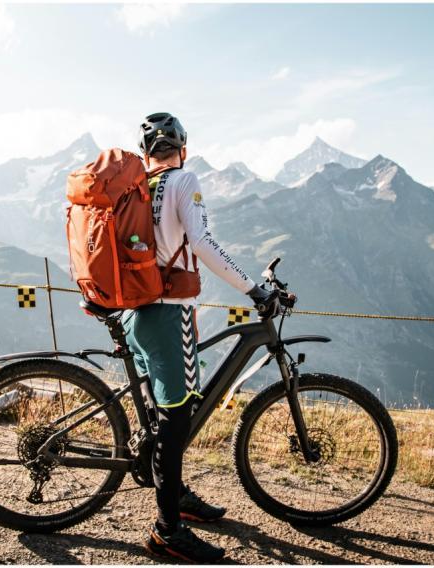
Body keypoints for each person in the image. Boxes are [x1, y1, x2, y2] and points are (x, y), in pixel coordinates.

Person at [124, 112, 278, 563]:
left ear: (145, 153)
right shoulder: (181, 181)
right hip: (168, 315)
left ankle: (178, 494)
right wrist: (253, 287)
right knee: (177, 422)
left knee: (167, 414)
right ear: (182, 148)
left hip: (141, 312)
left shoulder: (140, 187)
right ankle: (166, 530)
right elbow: (203, 242)